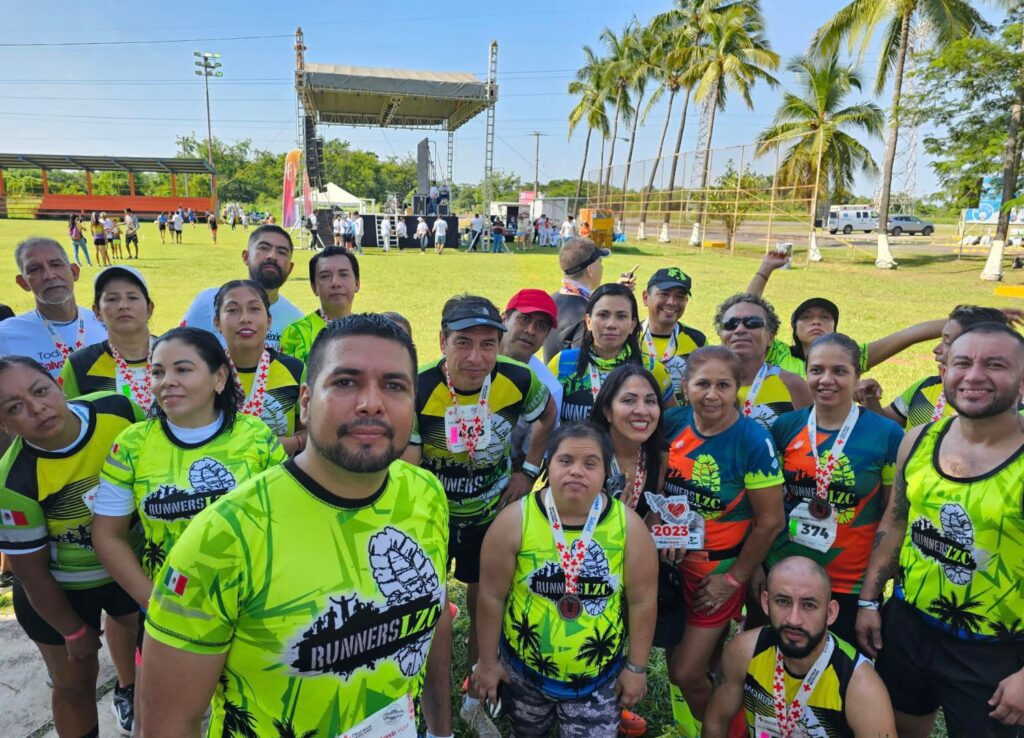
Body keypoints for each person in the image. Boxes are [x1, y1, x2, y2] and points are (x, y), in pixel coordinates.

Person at [138, 316, 449, 738]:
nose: (371, 403)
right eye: (345, 382)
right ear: (304, 401)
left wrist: (441, 730)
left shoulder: (426, 493)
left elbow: (432, 613)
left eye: (394, 386)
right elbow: (166, 725)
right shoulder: (222, 537)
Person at [92, 327, 285, 731]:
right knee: (162, 727)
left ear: (219, 378)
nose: (168, 382)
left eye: (183, 369)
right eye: (158, 372)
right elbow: (107, 536)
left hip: (252, 609)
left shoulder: (258, 438)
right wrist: (156, 603)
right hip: (170, 610)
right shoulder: (131, 445)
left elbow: (283, 522)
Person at [856, 322, 1024, 737]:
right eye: (962, 362)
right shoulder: (919, 439)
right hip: (908, 627)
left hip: (996, 651)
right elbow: (895, 523)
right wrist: (869, 601)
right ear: (944, 371)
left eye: (995, 364)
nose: (974, 375)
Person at [403, 295, 557, 738]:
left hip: (491, 512)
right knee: (431, 611)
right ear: (442, 341)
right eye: (463, 343)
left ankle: (475, 693)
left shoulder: (518, 378)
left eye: (488, 344)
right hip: (434, 518)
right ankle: (423, 697)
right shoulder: (420, 386)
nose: (475, 358)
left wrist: (528, 471)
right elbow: (411, 465)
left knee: (485, 601)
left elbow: (546, 416)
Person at [474, 422, 659, 737]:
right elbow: (491, 596)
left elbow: (642, 601)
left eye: (590, 464)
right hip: (524, 673)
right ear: (548, 464)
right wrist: (488, 663)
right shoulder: (515, 521)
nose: (577, 471)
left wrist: (636, 667)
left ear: (606, 472)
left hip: (600, 679)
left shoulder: (629, 527)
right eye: (565, 460)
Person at [0, 357, 145, 738]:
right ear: (4, 424)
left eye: (40, 390)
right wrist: (72, 631)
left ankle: (132, 697)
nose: (36, 408)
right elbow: (30, 574)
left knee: (160, 671)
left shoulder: (118, 409)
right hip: (59, 590)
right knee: (74, 686)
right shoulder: (12, 483)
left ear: (59, 385)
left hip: (127, 572)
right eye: (14, 407)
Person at [659, 346, 785, 733]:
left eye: (723, 385)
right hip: (672, 567)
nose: (711, 394)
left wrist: (734, 579)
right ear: (685, 386)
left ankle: (729, 731)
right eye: (702, 384)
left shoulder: (751, 439)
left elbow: (770, 521)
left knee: (686, 672)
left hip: (718, 573)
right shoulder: (672, 422)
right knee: (692, 661)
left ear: (738, 388)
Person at [768, 334, 904, 644]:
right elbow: (771, 504)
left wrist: (870, 596)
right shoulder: (786, 426)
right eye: (816, 370)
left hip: (848, 582)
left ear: (858, 376)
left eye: (839, 371)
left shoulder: (886, 434)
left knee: (841, 674)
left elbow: (890, 516)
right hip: (785, 571)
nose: (825, 380)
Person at [703, 556, 897, 738]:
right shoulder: (743, 652)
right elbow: (716, 721)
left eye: (809, 605)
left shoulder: (862, 689)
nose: (794, 619)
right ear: (765, 603)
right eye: (783, 601)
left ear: (830, 612)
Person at [859, 304, 1011, 428]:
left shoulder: (1001, 404)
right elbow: (888, 424)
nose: (936, 349)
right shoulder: (926, 388)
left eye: (947, 341)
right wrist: (871, 399)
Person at [549, 283, 675, 424]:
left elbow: (671, 425)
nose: (611, 324)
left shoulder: (651, 369)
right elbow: (543, 422)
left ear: (632, 325)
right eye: (603, 315)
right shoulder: (562, 363)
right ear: (588, 321)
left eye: (621, 316)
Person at [212, 280, 306, 454]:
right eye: (232, 310)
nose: (245, 318)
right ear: (217, 322)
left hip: (278, 476)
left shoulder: (295, 370)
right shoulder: (207, 371)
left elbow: (315, 430)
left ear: (269, 321)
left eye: (254, 309)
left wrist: (295, 443)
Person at [181, 225, 303, 351]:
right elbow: (179, 351)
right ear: (246, 257)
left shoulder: (296, 322)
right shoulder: (207, 302)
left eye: (282, 252)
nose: (272, 256)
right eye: (264, 248)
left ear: (290, 268)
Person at [0, 238, 108, 377]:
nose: (49, 275)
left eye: (56, 264)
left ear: (74, 271)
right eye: (34, 269)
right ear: (23, 283)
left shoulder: (106, 326)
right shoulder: (5, 336)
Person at [60, 266, 155, 411]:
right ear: (97, 311)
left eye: (132, 297)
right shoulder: (79, 365)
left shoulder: (176, 353)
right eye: (112, 299)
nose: (123, 305)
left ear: (149, 308)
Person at [715, 293, 812, 431]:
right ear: (721, 335)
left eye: (753, 323)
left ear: (770, 336)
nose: (740, 329)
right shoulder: (706, 383)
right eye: (730, 324)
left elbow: (812, 440)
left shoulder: (792, 384)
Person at [500, 290, 563, 467]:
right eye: (524, 319)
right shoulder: (474, 361)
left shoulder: (549, 388)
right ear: (504, 319)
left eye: (541, 326)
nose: (531, 331)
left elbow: (528, 455)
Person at [280, 247, 361, 364]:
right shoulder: (297, 333)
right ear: (314, 287)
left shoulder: (369, 333)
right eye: (325, 276)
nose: (335, 283)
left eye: (343, 274)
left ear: (357, 283)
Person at [641, 267, 707, 403]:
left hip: (680, 422)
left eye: (680, 296)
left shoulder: (697, 340)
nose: (672, 302)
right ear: (646, 298)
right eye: (664, 294)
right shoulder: (629, 335)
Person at [543, 238, 613, 363]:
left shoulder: (549, 301)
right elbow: (582, 366)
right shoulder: (588, 313)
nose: (602, 268)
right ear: (590, 270)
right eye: (600, 263)